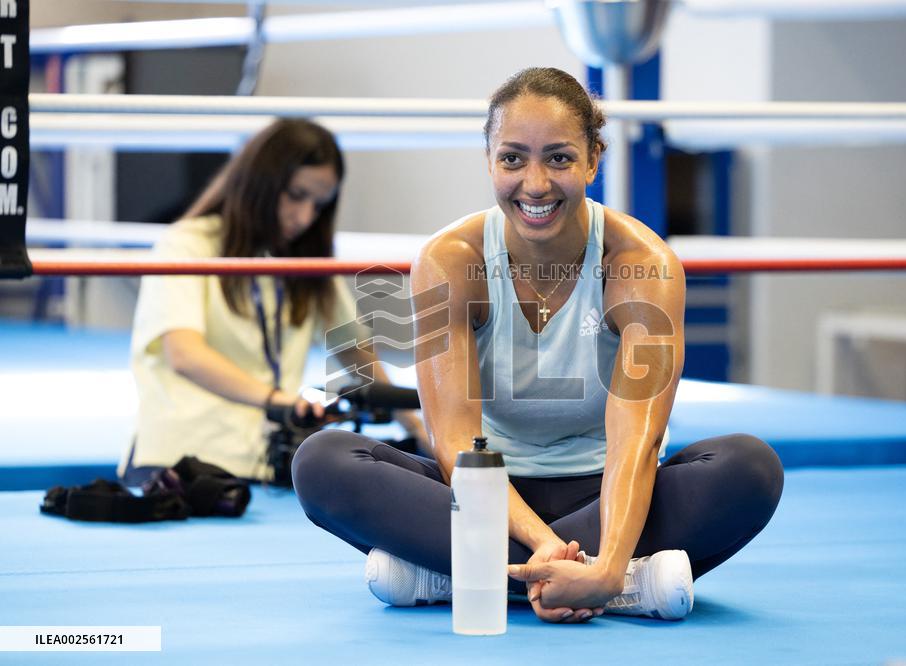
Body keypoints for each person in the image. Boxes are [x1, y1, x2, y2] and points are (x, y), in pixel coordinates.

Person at [292, 68, 784, 623]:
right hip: (482, 496)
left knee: (751, 467)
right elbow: (453, 441)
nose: (535, 183)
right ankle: (617, 584)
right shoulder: (449, 261)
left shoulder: (642, 264)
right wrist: (551, 548)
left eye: (558, 158)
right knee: (322, 461)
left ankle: (457, 577)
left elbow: (636, 445)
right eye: (512, 158)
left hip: (608, 496)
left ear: (593, 160)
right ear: (489, 161)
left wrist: (608, 557)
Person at [119, 118, 425, 485]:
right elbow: (184, 354)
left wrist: (420, 428)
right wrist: (281, 402)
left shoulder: (302, 259)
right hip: (175, 466)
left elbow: (355, 351)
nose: (305, 217)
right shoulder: (186, 245)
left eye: (319, 204)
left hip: (263, 466)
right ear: (259, 183)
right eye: (296, 195)